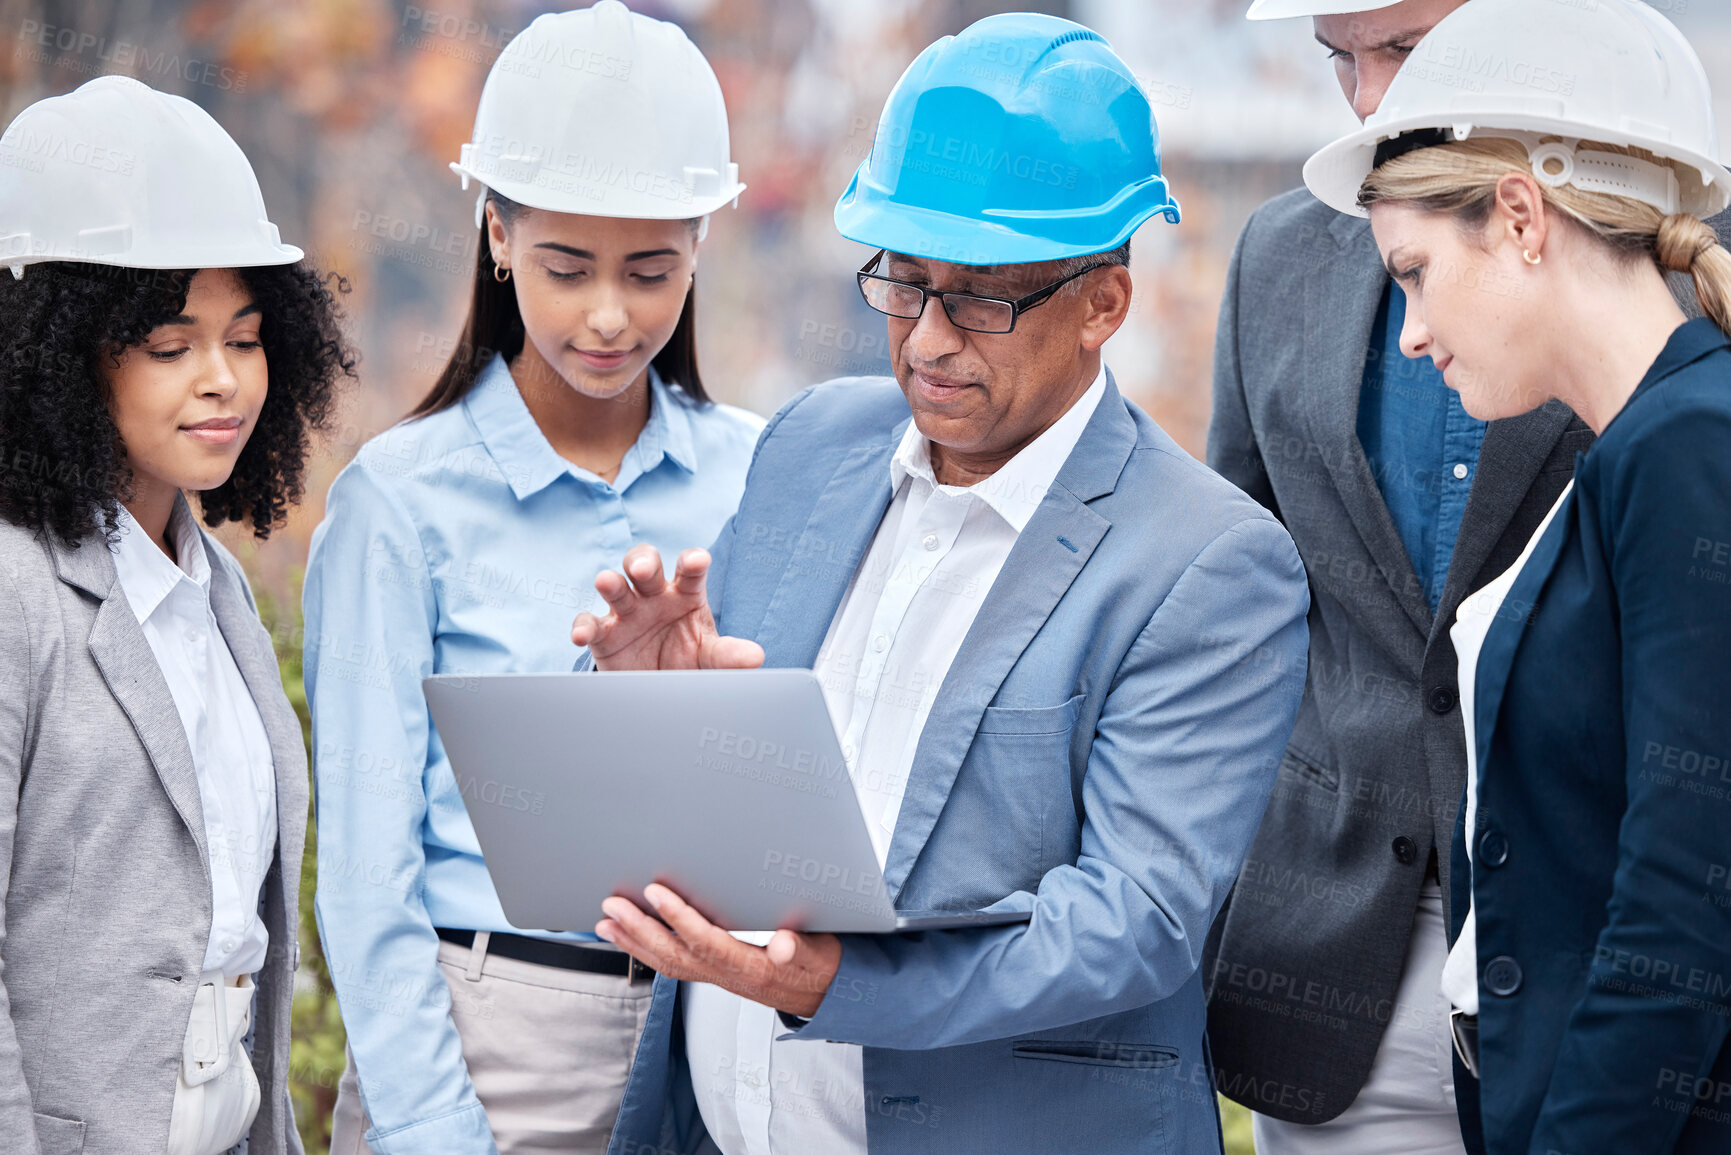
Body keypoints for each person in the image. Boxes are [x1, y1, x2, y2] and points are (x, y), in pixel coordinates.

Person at [565, 13, 1311, 1154]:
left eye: (980, 299)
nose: (924, 340)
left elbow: (1132, 922)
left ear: (1104, 304)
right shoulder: (814, 446)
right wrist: (652, 699)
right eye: (904, 284)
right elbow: (720, 803)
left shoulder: (1207, 564)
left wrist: (838, 984)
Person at [301, 5, 763, 1153]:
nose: (609, 315)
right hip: (488, 1047)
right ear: (498, 235)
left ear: (701, 243)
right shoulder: (400, 504)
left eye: (651, 271)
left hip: (716, 1040)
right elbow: (367, 876)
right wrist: (432, 1128)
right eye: (566, 268)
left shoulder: (760, 474)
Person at [1305, 0, 1731, 1150]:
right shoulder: (1639, 448)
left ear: (1521, 217)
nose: (1408, 331)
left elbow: (1687, 903)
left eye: (1416, 273)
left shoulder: (1690, 449)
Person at [1206, 2, 1577, 1151]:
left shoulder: (1667, 265)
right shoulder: (1279, 257)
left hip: (1586, 957)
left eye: (1402, 54)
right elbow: (1238, 602)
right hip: (1327, 963)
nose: (1369, 101)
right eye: (1338, 61)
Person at [0, 76, 355, 1155]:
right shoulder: (15, 593)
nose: (223, 381)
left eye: (244, 338)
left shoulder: (216, 588)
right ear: (61, 355)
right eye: (170, 345)